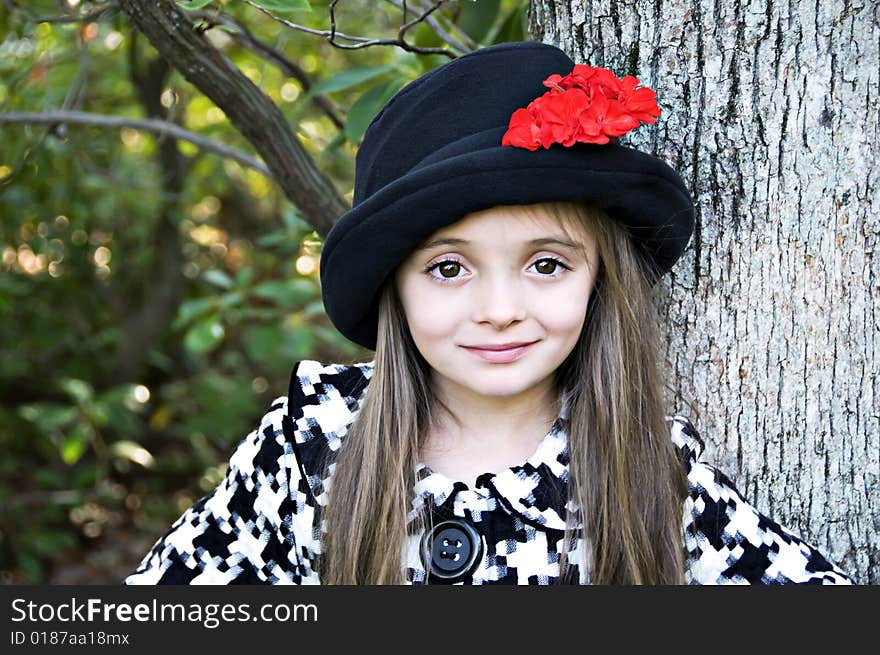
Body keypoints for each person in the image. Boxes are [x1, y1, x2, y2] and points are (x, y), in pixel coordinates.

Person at [124, 41, 853, 585]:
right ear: (395, 284)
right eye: (448, 268)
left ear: (600, 276)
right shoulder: (313, 445)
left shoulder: (650, 470)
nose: (501, 310)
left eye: (546, 264)